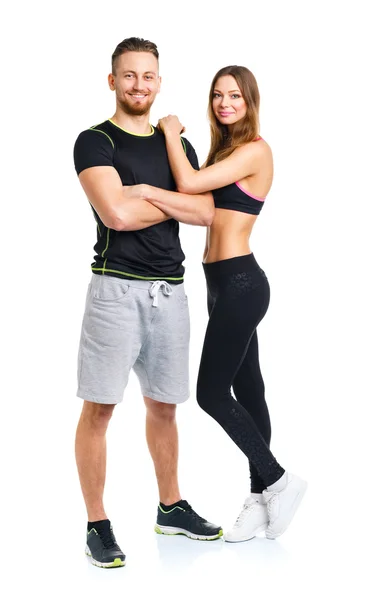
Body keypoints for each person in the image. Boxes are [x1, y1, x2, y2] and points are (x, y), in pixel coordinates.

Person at [132, 65, 307, 543]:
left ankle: (278, 480)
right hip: (219, 284)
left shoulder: (255, 150)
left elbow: (188, 184)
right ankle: (259, 498)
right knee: (250, 391)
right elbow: (202, 208)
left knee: (211, 393)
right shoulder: (227, 151)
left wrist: (168, 131)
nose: (224, 103)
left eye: (235, 96)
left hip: (243, 285)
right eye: (217, 95)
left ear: (250, 102)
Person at [73, 37, 222, 569]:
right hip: (115, 290)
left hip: (171, 292)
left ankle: (171, 507)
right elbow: (114, 215)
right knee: (100, 409)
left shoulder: (174, 143)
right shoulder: (95, 141)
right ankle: (97, 523)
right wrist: (170, 202)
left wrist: (144, 193)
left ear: (159, 81)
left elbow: (206, 212)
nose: (140, 85)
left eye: (149, 76)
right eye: (129, 75)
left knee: (164, 406)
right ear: (113, 81)